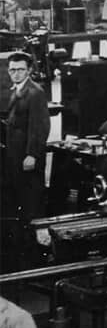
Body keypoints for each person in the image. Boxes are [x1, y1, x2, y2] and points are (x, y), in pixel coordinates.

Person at [3, 54, 51, 246]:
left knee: (33, 196)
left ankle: (40, 240)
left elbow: (40, 127)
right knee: (21, 194)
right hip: (16, 154)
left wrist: (32, 154)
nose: (16, 73)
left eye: (20, 69)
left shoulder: (35, 92)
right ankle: (26, 237)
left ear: (29, 70)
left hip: (28, 156)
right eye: (12, 70)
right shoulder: (18, 90)